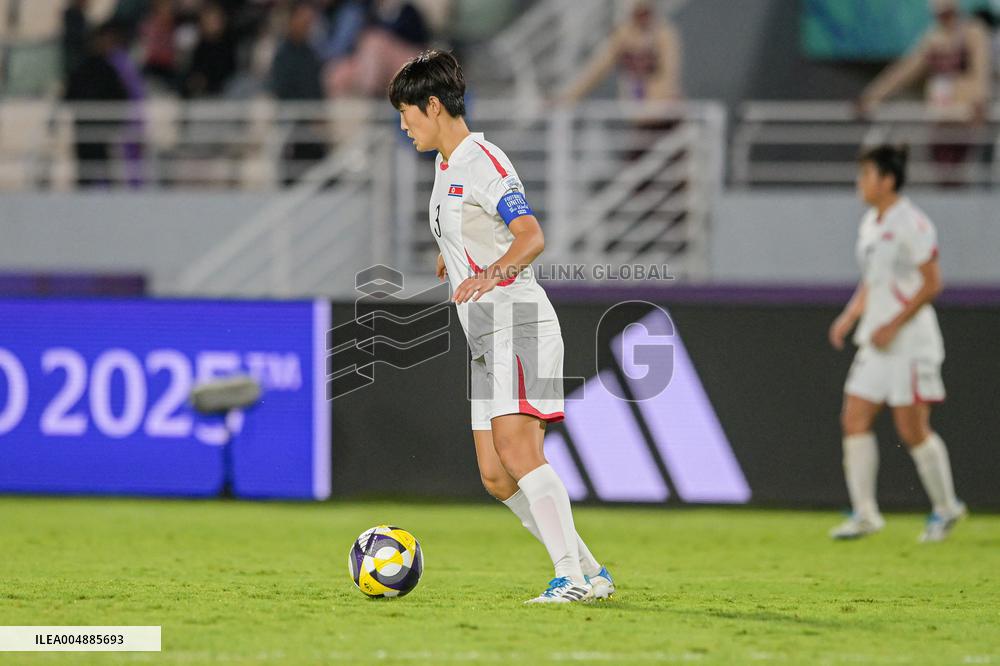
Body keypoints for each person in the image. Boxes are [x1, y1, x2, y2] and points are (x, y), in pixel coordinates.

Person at [387, 50, 613, 603]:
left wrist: (488, 273)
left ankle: (569, 578)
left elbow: (531, 236)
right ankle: (592, 573)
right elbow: (474, 228)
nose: (403, 126)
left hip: (517, 321)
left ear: (432, 106)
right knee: (494, 474)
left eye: (406, 114)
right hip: (486, 336)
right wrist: (452, 256)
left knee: (518, 451)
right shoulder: (446, 166)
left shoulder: (483, 160)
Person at [828, 144, 966, 543]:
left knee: (912, 428)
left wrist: (893, 323)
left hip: (910, 342)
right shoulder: (870, 224)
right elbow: (873, 281)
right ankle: (866, 514)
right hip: (876, 340)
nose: (860, 183)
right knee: (854, 418)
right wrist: (850, 316)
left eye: (866, 175)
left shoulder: (913, 223)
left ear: (887, 180)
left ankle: (946, 508)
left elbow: (933, 283)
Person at [858, 0, 991, 180]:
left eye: (948, 13)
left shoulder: (973, 32)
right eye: (940, 14)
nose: (945, 18)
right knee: (943, 171)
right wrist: (871, 96)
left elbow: (981, 70)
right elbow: (903, 71)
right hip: (940, 116)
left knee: (964, 171)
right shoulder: (932, 39)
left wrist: (979, 100)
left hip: (965, 115)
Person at [557, 0, 682, 105]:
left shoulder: (663, 33)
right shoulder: (623, 36)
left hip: (666, 112)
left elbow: (670, 70)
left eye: (646, 12)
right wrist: (568, 98)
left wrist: (662, 99)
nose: (643, 18)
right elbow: (597, 70)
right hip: (639, 114)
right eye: (639, 12)